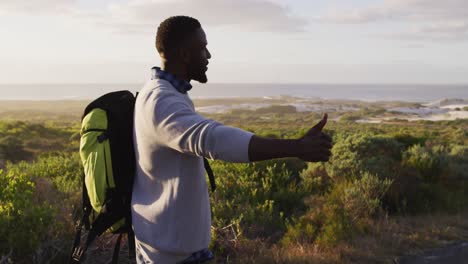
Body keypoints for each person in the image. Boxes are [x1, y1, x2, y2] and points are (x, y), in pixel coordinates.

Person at [131, 16, 333, 264]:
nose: (209, 55)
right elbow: (213, 139)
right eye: (202, 48)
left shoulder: (167, 93)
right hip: (170, 255)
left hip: (177, 248)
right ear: (185, 54)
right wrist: (297, 147)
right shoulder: (160, 101)